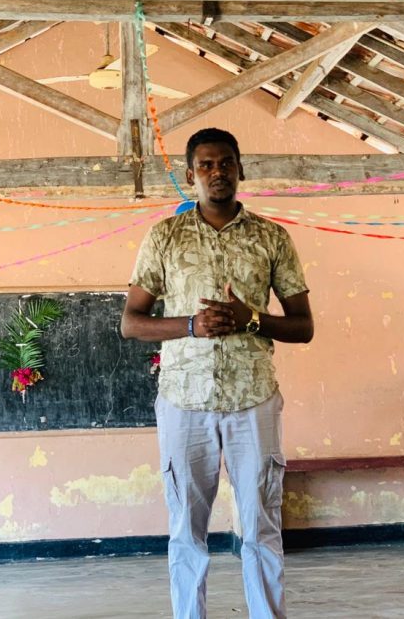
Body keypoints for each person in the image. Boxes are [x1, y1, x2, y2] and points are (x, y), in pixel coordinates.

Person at [121, 127, 313, 619]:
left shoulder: (272, 237)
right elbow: (131, 322)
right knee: (187, 529)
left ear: (240, 169)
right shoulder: (164, 236)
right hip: (184, 402)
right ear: (191, 175)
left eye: (226, 162)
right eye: (205, 165)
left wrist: (253, 319)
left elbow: (303, 326)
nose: (217, 172)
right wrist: (191, 324)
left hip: (254, 399)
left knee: (261, 526)